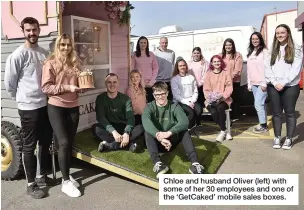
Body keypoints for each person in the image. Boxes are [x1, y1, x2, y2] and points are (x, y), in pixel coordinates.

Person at [4, 17, 55, 199]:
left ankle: (41, 177)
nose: (32, 33)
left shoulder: (43, 53)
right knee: (29, 146)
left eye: (34, 29)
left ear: (39, 30)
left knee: (44, 143)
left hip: (44, 105)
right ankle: (31, 184)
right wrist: (22, 99)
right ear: (23, 31)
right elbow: (10, 84)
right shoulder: (17, 55)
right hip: (28, 107)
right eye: (28, 30)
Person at [42, 33, 83, 198]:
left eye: (68, 45)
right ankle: (65, 182)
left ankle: (67, 174)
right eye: (62, 45)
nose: (66, 48)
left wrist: (83, 86)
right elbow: (46, 88)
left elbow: (79, 83)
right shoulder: (50, 63)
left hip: (73, 106)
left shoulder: (75, 63)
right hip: (56, 106)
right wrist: (68, 87)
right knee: (63, 143)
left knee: (69, 143)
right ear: (57, 46)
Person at [142, 81, 204, 179]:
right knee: (147, 132)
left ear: (167, 93)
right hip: (157, 142)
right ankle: (158, 164)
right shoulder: (149, 106)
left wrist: (168, 133)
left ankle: (195, 164)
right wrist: (160, 137)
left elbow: (184, 122)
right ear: (153, 95)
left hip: (172, 139)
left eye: (163, 93)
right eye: (157, 94)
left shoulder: (174, 106)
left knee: (184, 131)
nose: (160, 96)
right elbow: (146, 122)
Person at [265, 24, 303, 150]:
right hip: (274, 86)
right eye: (277, 33)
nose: (280, 35)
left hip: (290, 86)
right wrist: (275, 82)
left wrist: (284, 82)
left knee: (290, 113)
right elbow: (267, 67)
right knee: (276, 113)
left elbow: (296, 69)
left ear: (288, 33)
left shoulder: (296, 49)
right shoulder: (272, 50)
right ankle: (277, 137)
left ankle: (289, 138)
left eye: (282, 32)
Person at [92, 73, 144, 153]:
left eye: (114, 82)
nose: (112, 84)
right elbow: (101, 118)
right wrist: (114, 132)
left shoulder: (125, 99)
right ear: (106, 84)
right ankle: (129, 145)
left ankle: (111, 145)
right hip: (109, 129)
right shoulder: (100, 98)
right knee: (95, 128)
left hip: (123, 127)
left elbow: (130, 118)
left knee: (141, 127)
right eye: (109, 82)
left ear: (118, 83)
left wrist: (126, 133)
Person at [203, 55, 233, 142]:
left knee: (220, 108)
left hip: (224, 99)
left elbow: (229, 87)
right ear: (212, 63)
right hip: (211, 99)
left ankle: (222, 132)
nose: (217, 63)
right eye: (215, 61)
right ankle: (225, 130)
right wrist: (211, 97)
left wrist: (222, 97)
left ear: (221, 62)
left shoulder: (226, 73)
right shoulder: (208, 74)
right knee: (213, 112)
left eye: (218, 61)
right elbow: (206, 89)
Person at [247, 32, 269, 133]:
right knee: (261, 104)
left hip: (261, 83)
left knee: (258, 104)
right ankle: (262, 123)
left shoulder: (264, 52)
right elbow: (249, 69)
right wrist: (249, 83)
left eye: (256, 39)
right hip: (253, 83)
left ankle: (263, 126)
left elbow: (267, 68)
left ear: (260, 39)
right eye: (253, 39)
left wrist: (264, 83)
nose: (254, 41)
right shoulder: (251, 52)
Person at [171, 59, 202, 129]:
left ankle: (192, 126)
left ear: (186, 66)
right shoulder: (174, 79)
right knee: (191, 113)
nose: (182, 67)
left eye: (184, 65)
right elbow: (176, 96)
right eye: (180, 66)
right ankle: (184, 129)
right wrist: (187, 103)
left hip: (191, 100)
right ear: (177, 67)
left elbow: (195, 91)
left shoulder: (191, 77)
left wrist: (193, 101)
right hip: (180, 101)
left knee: (199, 110)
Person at [220, 38, 243, 120]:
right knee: (225, 99)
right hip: (223, 82)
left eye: (230, 45)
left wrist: (228, 78)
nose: (228, 47)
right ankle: (226, 117)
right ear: (224, 46)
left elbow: (237, 70)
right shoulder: (220, 55)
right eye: (226, 45)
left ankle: (234, 117)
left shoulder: (237, 55)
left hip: (234, 81)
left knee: (234, 100)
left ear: (233, 46)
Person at [131, 36, 159, 103]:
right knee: (140, 103)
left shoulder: (151, 54)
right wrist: (135, 82)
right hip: (139, 84)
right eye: (141, 43)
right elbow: (132, 69)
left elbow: (155, 68)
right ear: (138, 44)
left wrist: (151, 82)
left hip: (149, 84)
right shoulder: (134, 55)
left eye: (144, 43)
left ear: (147, 44)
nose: (143, 44)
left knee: (151, 103)